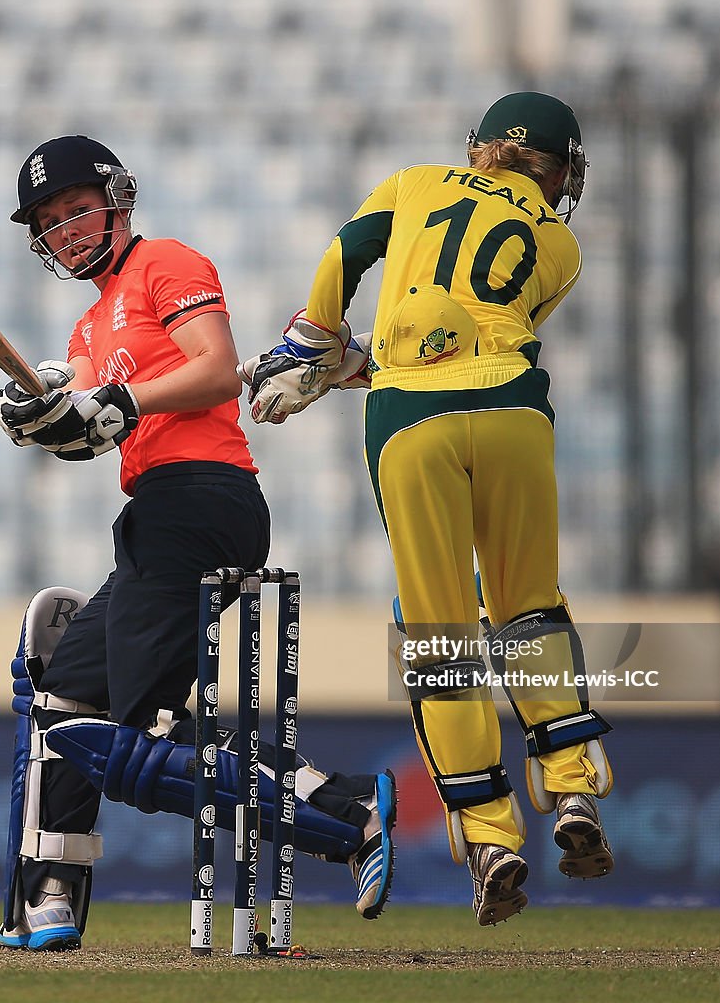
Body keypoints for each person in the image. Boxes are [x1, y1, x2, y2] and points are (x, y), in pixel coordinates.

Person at [0, 135, 396, 952]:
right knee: (64, 696)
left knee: (145, 737)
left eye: (76, 208)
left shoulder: (166, 263)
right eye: (49, 222)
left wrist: (112, 402)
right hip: (155, 513)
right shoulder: (87, 325)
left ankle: (347, 811)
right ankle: (51, 892)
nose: (66, 230)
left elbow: (212, 373)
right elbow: (88, 428)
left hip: (202, 497)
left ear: (118, 197)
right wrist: (40, 415)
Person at [240, 92, 614, 926]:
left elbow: (348, 252)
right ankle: (574, 788)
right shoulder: (560, 245)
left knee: (439, 628)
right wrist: (357, 362)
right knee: (526, 608)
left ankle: (487, 836)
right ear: (559, 170)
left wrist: (315, 340)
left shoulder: (414, 183)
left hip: (412, 422)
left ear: (476, 147)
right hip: (515, 412)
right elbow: (483, 335)